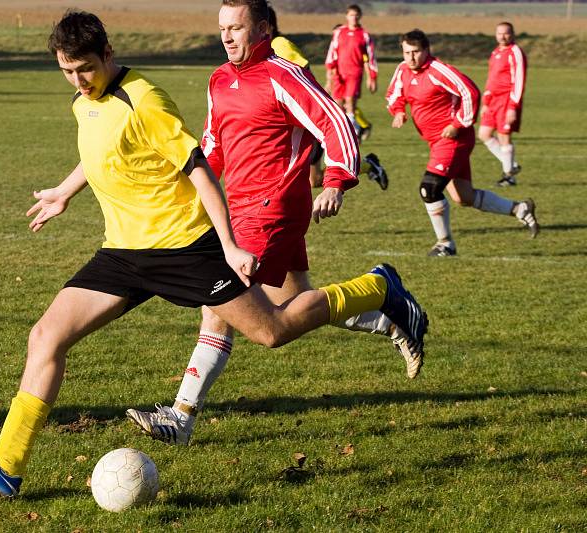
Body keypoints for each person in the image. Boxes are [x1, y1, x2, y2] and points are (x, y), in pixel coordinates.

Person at [0, 10, 427, 498]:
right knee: (46, 335)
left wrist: (229, 245)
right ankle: (6, 464)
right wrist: (65, 191)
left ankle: (378, 288)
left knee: (272, 330)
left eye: (85, 68)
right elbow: (103, 149)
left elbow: (199, 171)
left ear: (108, 53)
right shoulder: (88, 100)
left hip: (185, 248)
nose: (79, 80)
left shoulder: (144, 99)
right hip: (123, 252)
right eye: (67, 70)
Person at [125, 0, 417, 448]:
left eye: (236, 28)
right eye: (222, 28)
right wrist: (186, 189)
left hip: (272, 206)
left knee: (219, 304)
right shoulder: (219, 79)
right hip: (238, 208)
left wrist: (336, 181)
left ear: (261, 29)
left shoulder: (283, 74)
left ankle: (181, 418)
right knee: (294, 303)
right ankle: (389, 314)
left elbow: (336, 121)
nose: (226, 37)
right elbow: (214, 143)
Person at [386, 29, 539, 257]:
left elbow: (470, 92)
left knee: (429, 189)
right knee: (463, 197)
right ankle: (519, 208)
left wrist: (458, 123)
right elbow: (393, 94)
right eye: (406, 52)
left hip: (453, 140)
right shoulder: (402, 70)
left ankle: (445, 244)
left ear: (427, 50)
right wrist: (398, 111)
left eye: (416, 52)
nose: (411, 57)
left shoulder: (439, 71)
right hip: (435, 142)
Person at [267, 6, 388, 190]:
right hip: (284, 126)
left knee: (286, 181)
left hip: (305, 124)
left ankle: (354, 134)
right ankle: (369, 164)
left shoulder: (280, 45)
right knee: (314, 181)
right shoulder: (252, 53)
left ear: (265, 26)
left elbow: (304, 73)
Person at [478, 22, 526, 187]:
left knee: (504, 136)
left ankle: (509, 177)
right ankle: (511, 165)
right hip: (493, 101)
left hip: (507, 100)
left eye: (506, 33)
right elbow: (492, 77)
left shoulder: (515, 52)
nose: (502, 36)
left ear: (512, 34)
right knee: (484, 134)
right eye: (499, 33)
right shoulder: (496, 52)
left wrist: (513, 106)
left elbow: (519, 80)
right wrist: (486, 101)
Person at [324, 4, 378, 141]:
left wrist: (371, 77)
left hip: (355, 72)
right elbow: (332, 51)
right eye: (351, 15)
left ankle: (353, 130)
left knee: (350, 101)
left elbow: (370, 57)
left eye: (356, 15)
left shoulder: (364, 35)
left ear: (360, 16)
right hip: (339, 73)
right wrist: (330, 70)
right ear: (347, 16)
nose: (353, 18)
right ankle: (348, 130)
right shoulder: (339, 32)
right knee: (337, 103)